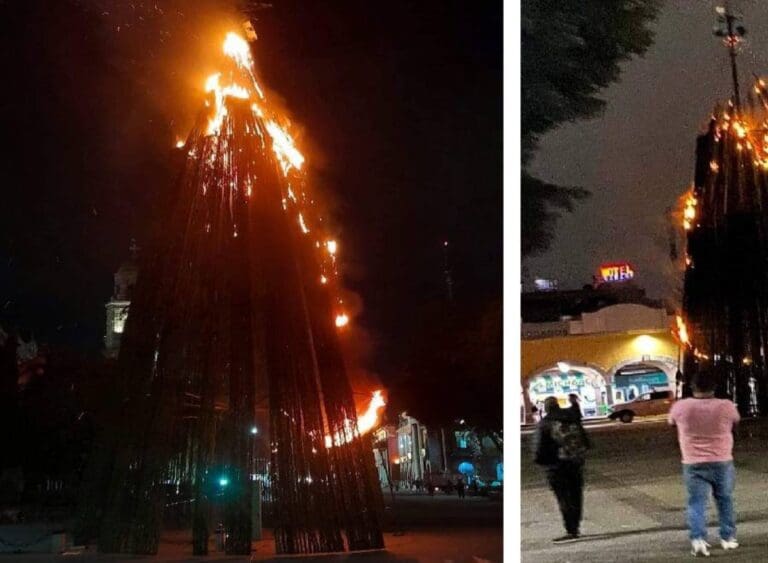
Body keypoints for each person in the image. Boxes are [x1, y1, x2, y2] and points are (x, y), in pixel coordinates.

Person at [669, 370, 740, 557]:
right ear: (714, 387)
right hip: (722, 460)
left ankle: (698, 539)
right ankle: (728, 538)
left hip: (692, 462)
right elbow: (736, 421)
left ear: (692, 387)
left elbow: (671, 423)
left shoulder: (681, 407)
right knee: (724, 499)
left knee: (696, 502)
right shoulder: (726, 406)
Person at [534, 396, 590, 543]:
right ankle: (575, 526)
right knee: (576, 495)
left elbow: (539, 448)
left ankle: (570, 529)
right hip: (574, 462)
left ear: (546, 408)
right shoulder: (572, 418)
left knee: (563, 497)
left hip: (556, 467)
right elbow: (585, 440)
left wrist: (542, 462)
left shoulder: (545, 423)